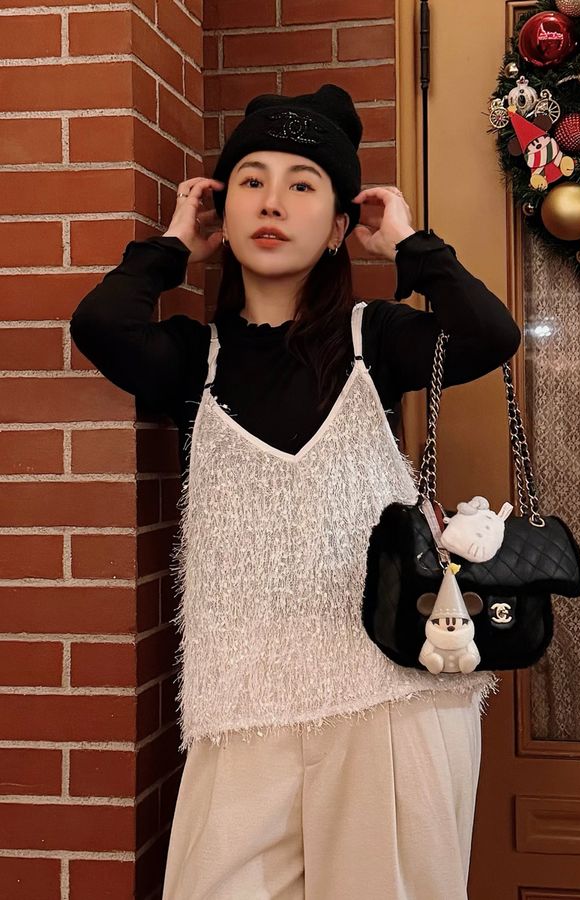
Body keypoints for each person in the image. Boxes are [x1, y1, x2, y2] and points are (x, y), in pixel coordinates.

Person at [70, 84, 521, 900]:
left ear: (341, 225)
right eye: (251, 181)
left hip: (391, 702)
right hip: (242, 711)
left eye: (302, 184)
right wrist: (173, 245)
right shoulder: (194, 358)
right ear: (224, 209)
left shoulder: (374, 339)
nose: (272, 201)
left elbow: (489, 332)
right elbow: (100, 325)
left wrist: (409, 243)